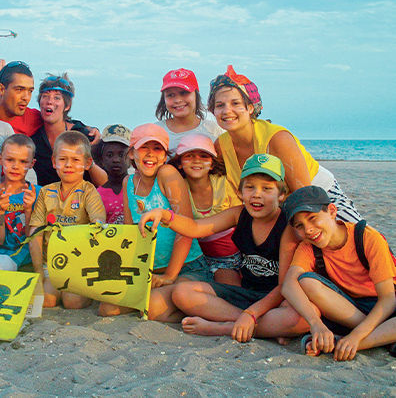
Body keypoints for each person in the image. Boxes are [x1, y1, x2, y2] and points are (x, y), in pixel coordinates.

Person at [139, 154, 309, 342]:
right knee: (182, 293)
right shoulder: (239, 215)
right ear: (240, 192)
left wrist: (252, 314)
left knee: (299, 318)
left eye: (267, 189)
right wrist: (165, 215)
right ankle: (257, 327)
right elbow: (196, 228)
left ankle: (224, 327)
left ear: (281, 194)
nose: (257, 194)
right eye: (250, 187)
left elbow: (284, 287)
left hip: (277, 298)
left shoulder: (287, 227)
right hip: (245, 294)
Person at [208, 65, 361, 222]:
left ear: (250, 108)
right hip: (274, 209)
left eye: (235, 103)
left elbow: (304, 195)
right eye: (220, 105)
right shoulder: (221, 146)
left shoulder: (277, 139)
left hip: (319, 195)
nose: (226, 111)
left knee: (358, 239)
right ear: (213, 111)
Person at [100, 123, 208, 320]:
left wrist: (170, 276)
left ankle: (195, 309)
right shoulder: (128, 183)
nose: (150, 154)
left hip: (186, 267)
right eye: (144, 148)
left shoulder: (167, 174)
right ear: (131, 154)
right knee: (107, 308)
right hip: (149, 268)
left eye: (157, 149)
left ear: (165, 156)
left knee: (151, 307)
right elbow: (129, 231)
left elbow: (185, 229)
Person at [281, 186, 396, 361]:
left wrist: (356, 336)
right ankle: (383, 336)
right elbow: (289, 285)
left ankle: (346, 342)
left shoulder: (368, 238)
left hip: (385, 307)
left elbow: (388, 298)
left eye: (312, 218)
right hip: (349, 310)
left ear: (332, 211)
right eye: (300, 226)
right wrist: (315, 324)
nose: (309, 230)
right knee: (306, 282)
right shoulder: (309, 246)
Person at [28, 131, 106, 309]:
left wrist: (97, 225)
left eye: (76, 160)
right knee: (46, 302)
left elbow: (98, 221)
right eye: (63, 159)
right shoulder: (46, 192)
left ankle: (88, 290)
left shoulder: (88, 191)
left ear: (87, 163)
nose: (68, 165)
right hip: (51, 264)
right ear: (54, 161)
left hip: (79, 262)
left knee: (73, 302)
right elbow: (35, 232)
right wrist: (39, 270)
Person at [168, 134, 242, 285]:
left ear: (212, 164)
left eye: (204, 156)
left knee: (229, 292)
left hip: (229, 259)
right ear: (180, 163)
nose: (197, 160)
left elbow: (243, 221)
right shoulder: (177, 187)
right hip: (195, 259)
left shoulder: (224, 184)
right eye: (189, 155)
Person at [30, 73, 107, 187]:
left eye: (57, 97)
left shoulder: (83, 135)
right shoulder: (34, 138)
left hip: (81, 201)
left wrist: (88, 161)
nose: (49, 101)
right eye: (45, 96)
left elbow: (104, 182)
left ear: (67, 106)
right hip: (47, 201)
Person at [0, 134, 39, 269]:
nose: (15, 166)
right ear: (0, 159)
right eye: (10, 160)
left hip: (30, 259)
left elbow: (33, 239)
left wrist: (29, 210)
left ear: (32, 164)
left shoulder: (40, 193)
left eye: (23, 162)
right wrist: (0, 211)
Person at [155, 68, 223, 151]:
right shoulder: (155, 131)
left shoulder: (214, 130)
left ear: (196, 95)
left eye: (184, 93)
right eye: (170, 95)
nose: (177, 100)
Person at [93, 124, 132, 224]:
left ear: (132, 157)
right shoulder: (96, 195)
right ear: (101, 159)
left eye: (121, 155)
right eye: (110, 155)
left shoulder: (138, 189)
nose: (116, 160)